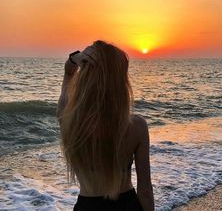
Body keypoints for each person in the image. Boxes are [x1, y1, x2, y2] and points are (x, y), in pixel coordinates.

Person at [57, 40, 154, 211]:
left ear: (86, 78)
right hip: (127, 206)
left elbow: (67, 80)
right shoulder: (136, 126)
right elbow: (145, 189)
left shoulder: (70, 120)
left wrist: (73, 63)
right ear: (120, 81)